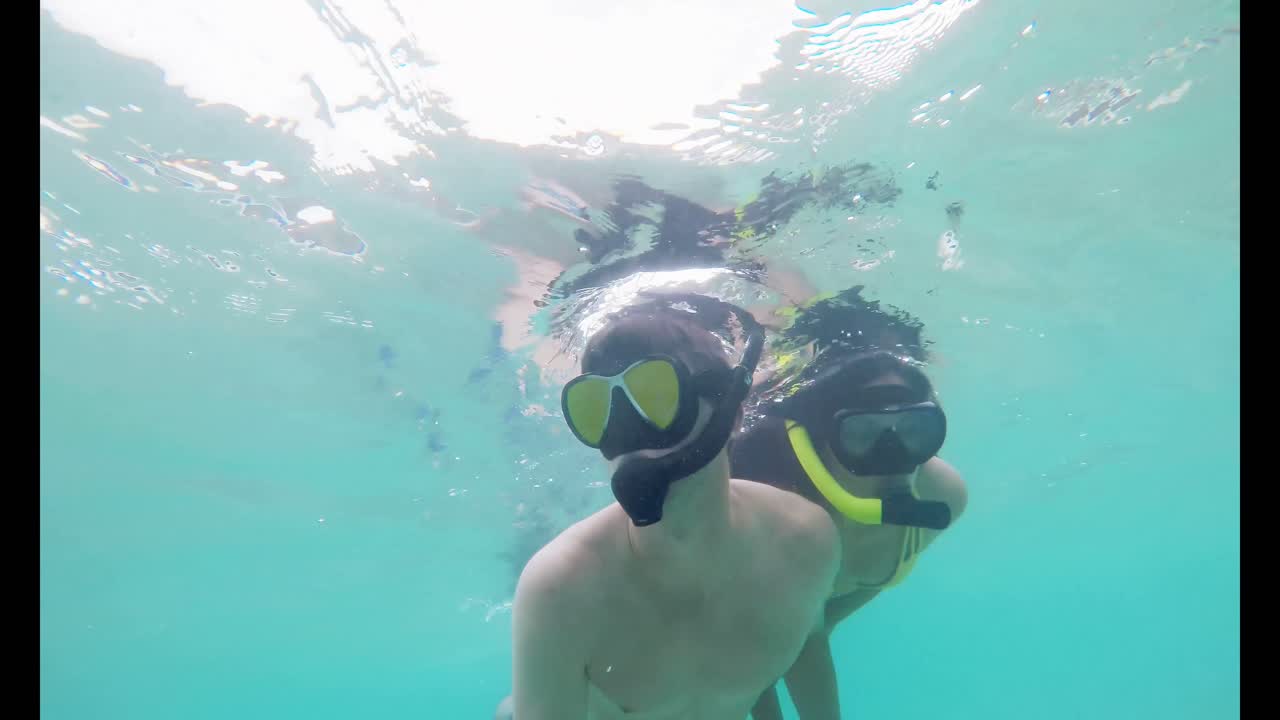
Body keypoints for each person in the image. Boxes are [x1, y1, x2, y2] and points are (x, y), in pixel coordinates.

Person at [495, 294, 841, 720]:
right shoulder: (563, 590)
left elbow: (806, 647)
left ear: (731, 412)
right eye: (597, 411)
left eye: (656, 397)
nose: (629, 439)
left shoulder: (804, 540)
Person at [729, 288, 969, 720]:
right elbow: (752, 637)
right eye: (863, 435)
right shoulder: (776, 507)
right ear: (822, 441)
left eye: (915, 430)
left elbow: (813, 627)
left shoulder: (943, 498)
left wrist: (808, 631)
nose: (893, 459)